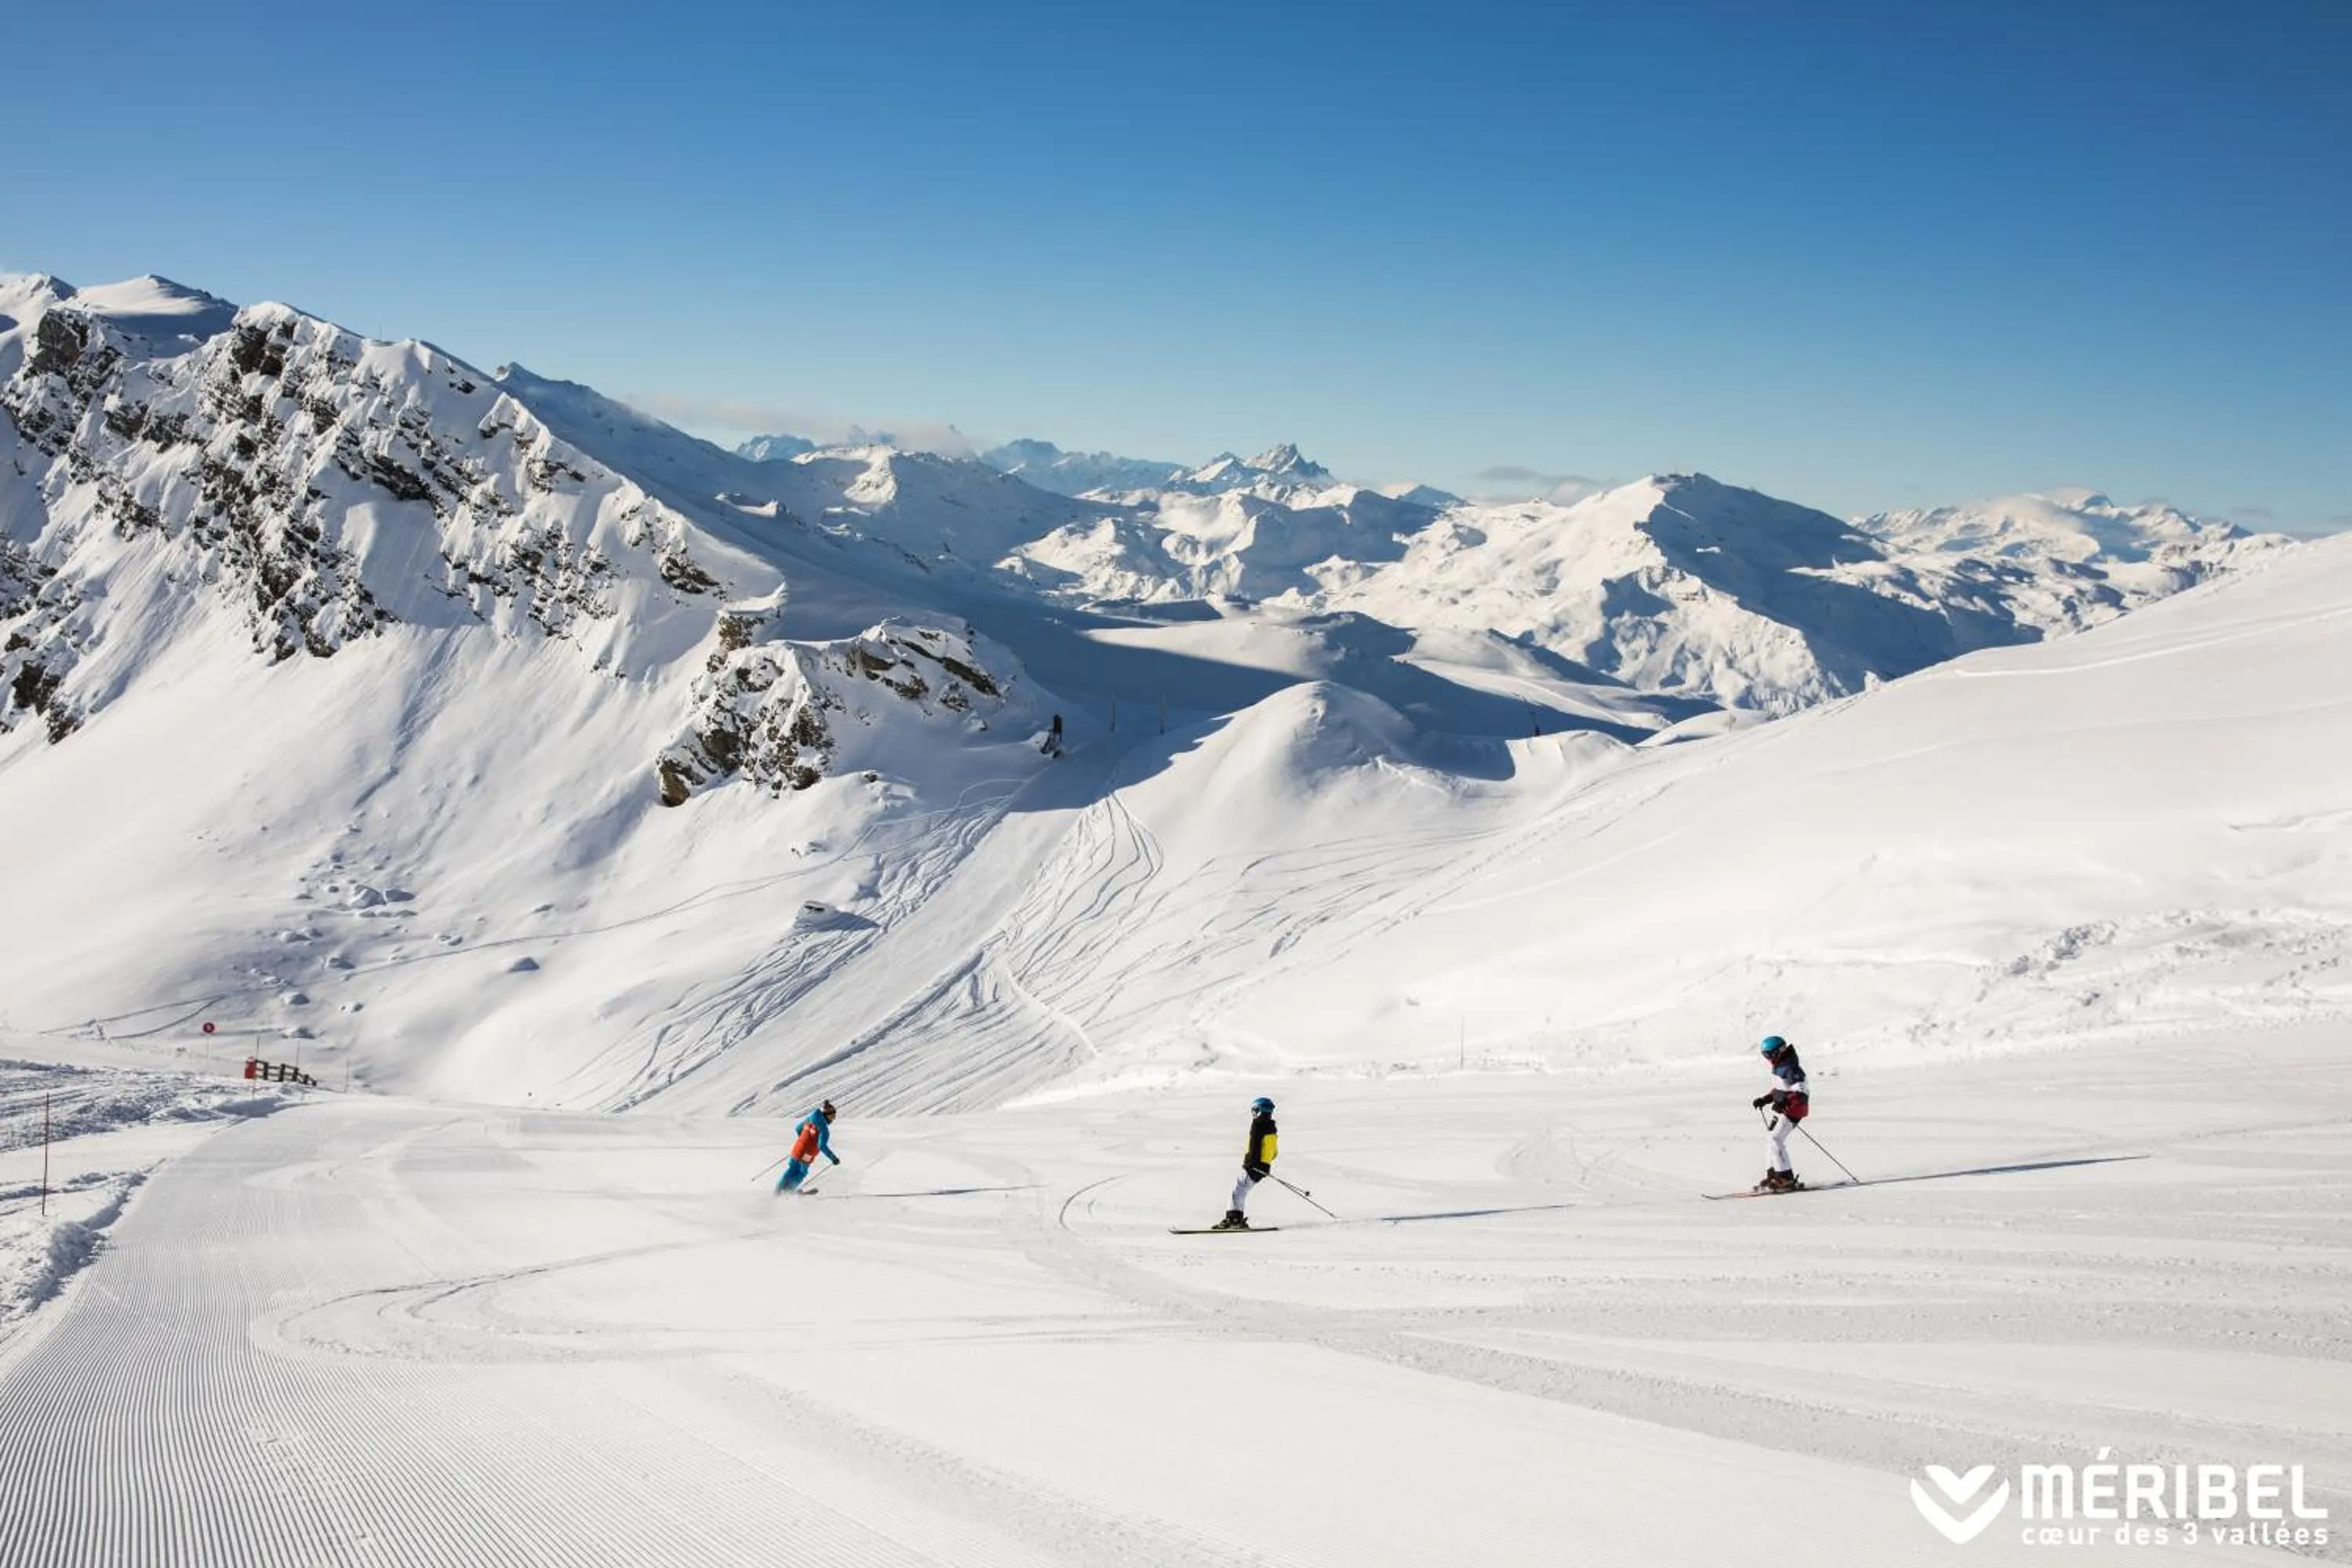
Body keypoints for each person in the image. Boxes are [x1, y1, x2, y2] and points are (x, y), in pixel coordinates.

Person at [1750, 1036, 1810, 1191]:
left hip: (1795, 1109)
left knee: (1775, 1138)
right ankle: (1774, 1174)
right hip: (1784, 1108)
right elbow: (1780, 1089)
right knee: (1771, 1138)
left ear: (1779, 1052)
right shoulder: (1779, 1066)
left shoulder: (1791, 1067)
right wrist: (1766, 1099)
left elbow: (1802, 1092)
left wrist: (1785, 1101)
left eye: (1769, 1055)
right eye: (1765, 1055)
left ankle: (1785, 1178)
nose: (1767, 1059)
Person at [1211, 1095, 1279, 1229]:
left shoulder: (1258, 1125)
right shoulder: (1272, 1127)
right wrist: (1265, 1165)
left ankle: (1234, 1220)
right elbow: (1274, 1152)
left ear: (1259, 1110)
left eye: (1254, 1110)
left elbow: (1254, 1146)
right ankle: (1236, 1219)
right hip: (1263, 1167)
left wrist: (1251, 1163)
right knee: (1241, 1190)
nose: (1253, 1114)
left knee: (1238, 1191)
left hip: (1254, 1166)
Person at [775, 1099, 840, 1194]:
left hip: (797, 1149)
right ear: (826, 1115)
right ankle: (789, 1192)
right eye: (833, 1116)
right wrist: (833, 1158)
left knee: (791, 1169)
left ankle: (777, 1191)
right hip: (807, 1154)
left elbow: (798, 1129)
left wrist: (804, 1142)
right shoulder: (824, 1129)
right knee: (802, 1173)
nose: (833, 1119)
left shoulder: (810, 1118)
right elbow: (822, 1146)